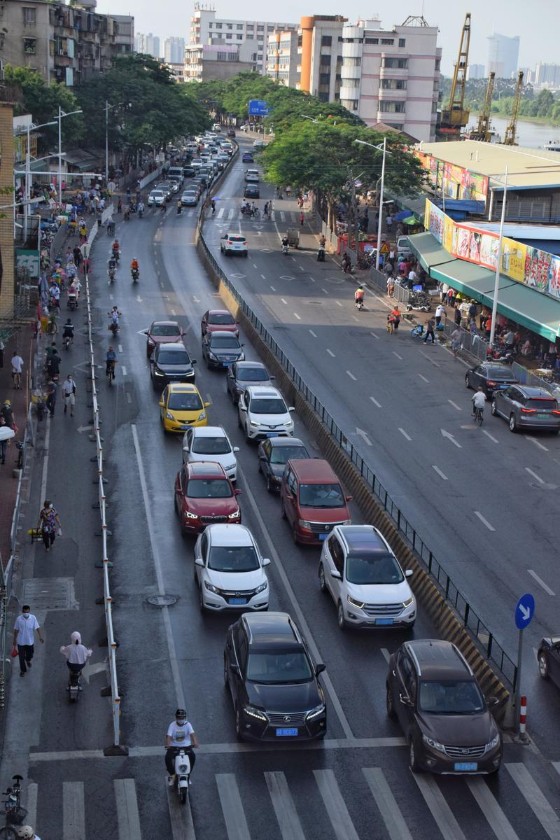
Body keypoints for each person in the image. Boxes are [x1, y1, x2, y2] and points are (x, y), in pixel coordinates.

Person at [165, 708, 199, 786]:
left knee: (193, 757)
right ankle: (173, 775)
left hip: (186, 746)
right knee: (167, 758)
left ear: (185, 718)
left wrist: (195, 743)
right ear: (176, 718)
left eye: (182, 718)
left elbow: (192, 735)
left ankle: (188, 775)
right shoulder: (172, 725)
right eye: (179, 718)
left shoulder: (188, 724)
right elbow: (169, 736)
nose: (181, 719)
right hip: (174, 747)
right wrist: (168, 745)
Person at [13, 605, 44, 677]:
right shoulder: (18, 619)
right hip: (21, 642)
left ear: (29, 611)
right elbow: (16, 630)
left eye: (27, 611)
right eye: (24, 612)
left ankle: (28, 660)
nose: (26, 613)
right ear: (22, 611)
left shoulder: (33, 618)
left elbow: (37, 628)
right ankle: (22, 670)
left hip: (30, 642)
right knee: (21, 657)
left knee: (30, 654)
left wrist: (40, 637)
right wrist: (14, 640)